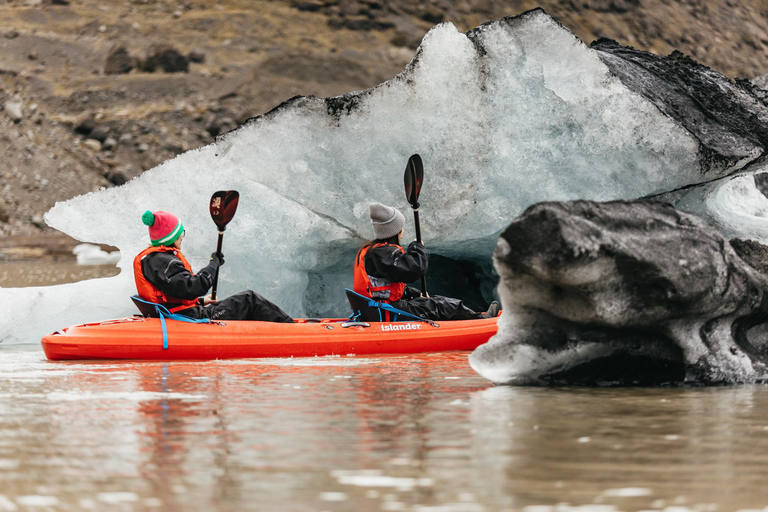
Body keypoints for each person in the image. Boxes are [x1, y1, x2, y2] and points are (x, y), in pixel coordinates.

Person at [133, 210, 295, 323]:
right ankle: (293, 330)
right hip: (189, 318)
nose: (182, 238)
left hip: (179, 313)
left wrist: (203, 301)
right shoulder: (165, 261)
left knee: (241, 305)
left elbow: (174, 293)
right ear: (171, 236)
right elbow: (192, 288)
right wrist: (214, 264)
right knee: (249, 299)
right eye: (180, 233)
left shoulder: (152, 259)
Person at [353, 202, 500, 321]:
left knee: (435, 301)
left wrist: (416, 295)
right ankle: (482, 321)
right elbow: (414, 270)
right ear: (394, 231)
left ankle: (475, 318)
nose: (402, 233)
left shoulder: (372, 251)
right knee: (443, 306)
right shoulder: (382, 253)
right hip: (387, 312)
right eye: (401, 229)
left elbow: (387, 288)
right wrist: (418, 248)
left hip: (381, 308)